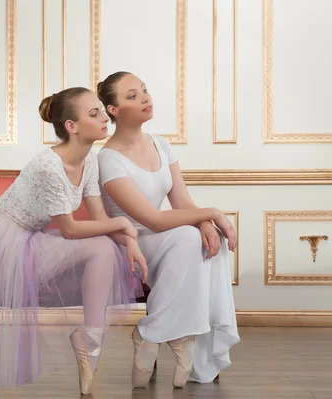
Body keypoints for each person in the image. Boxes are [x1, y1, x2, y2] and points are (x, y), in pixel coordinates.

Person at [0, 87, 148, 395]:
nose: (104, 117)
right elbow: (70, 230)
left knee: (105, 246)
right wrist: (123, 224)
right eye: (94, 114)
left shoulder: (90, 161)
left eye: (101, 111)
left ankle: (89, 343)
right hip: (5, 244)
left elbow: (98, 221)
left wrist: (129, 239)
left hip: (32, 239)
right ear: (72, 126)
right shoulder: (48, 166)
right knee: (101, 246)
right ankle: (89, 341)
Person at [96, 71, 240, 389]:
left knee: (204, 241)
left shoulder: (161, 145)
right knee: (191, 238)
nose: (145, 98)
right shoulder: (108, 159)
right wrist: (214, 213)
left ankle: (165, 337)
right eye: (132, 96)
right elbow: (153, 220)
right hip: (128, 242)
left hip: (163, 238)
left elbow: (182, 202)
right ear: (113, 110)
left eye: (144, 91)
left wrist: (205, 223)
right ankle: (164, 333)